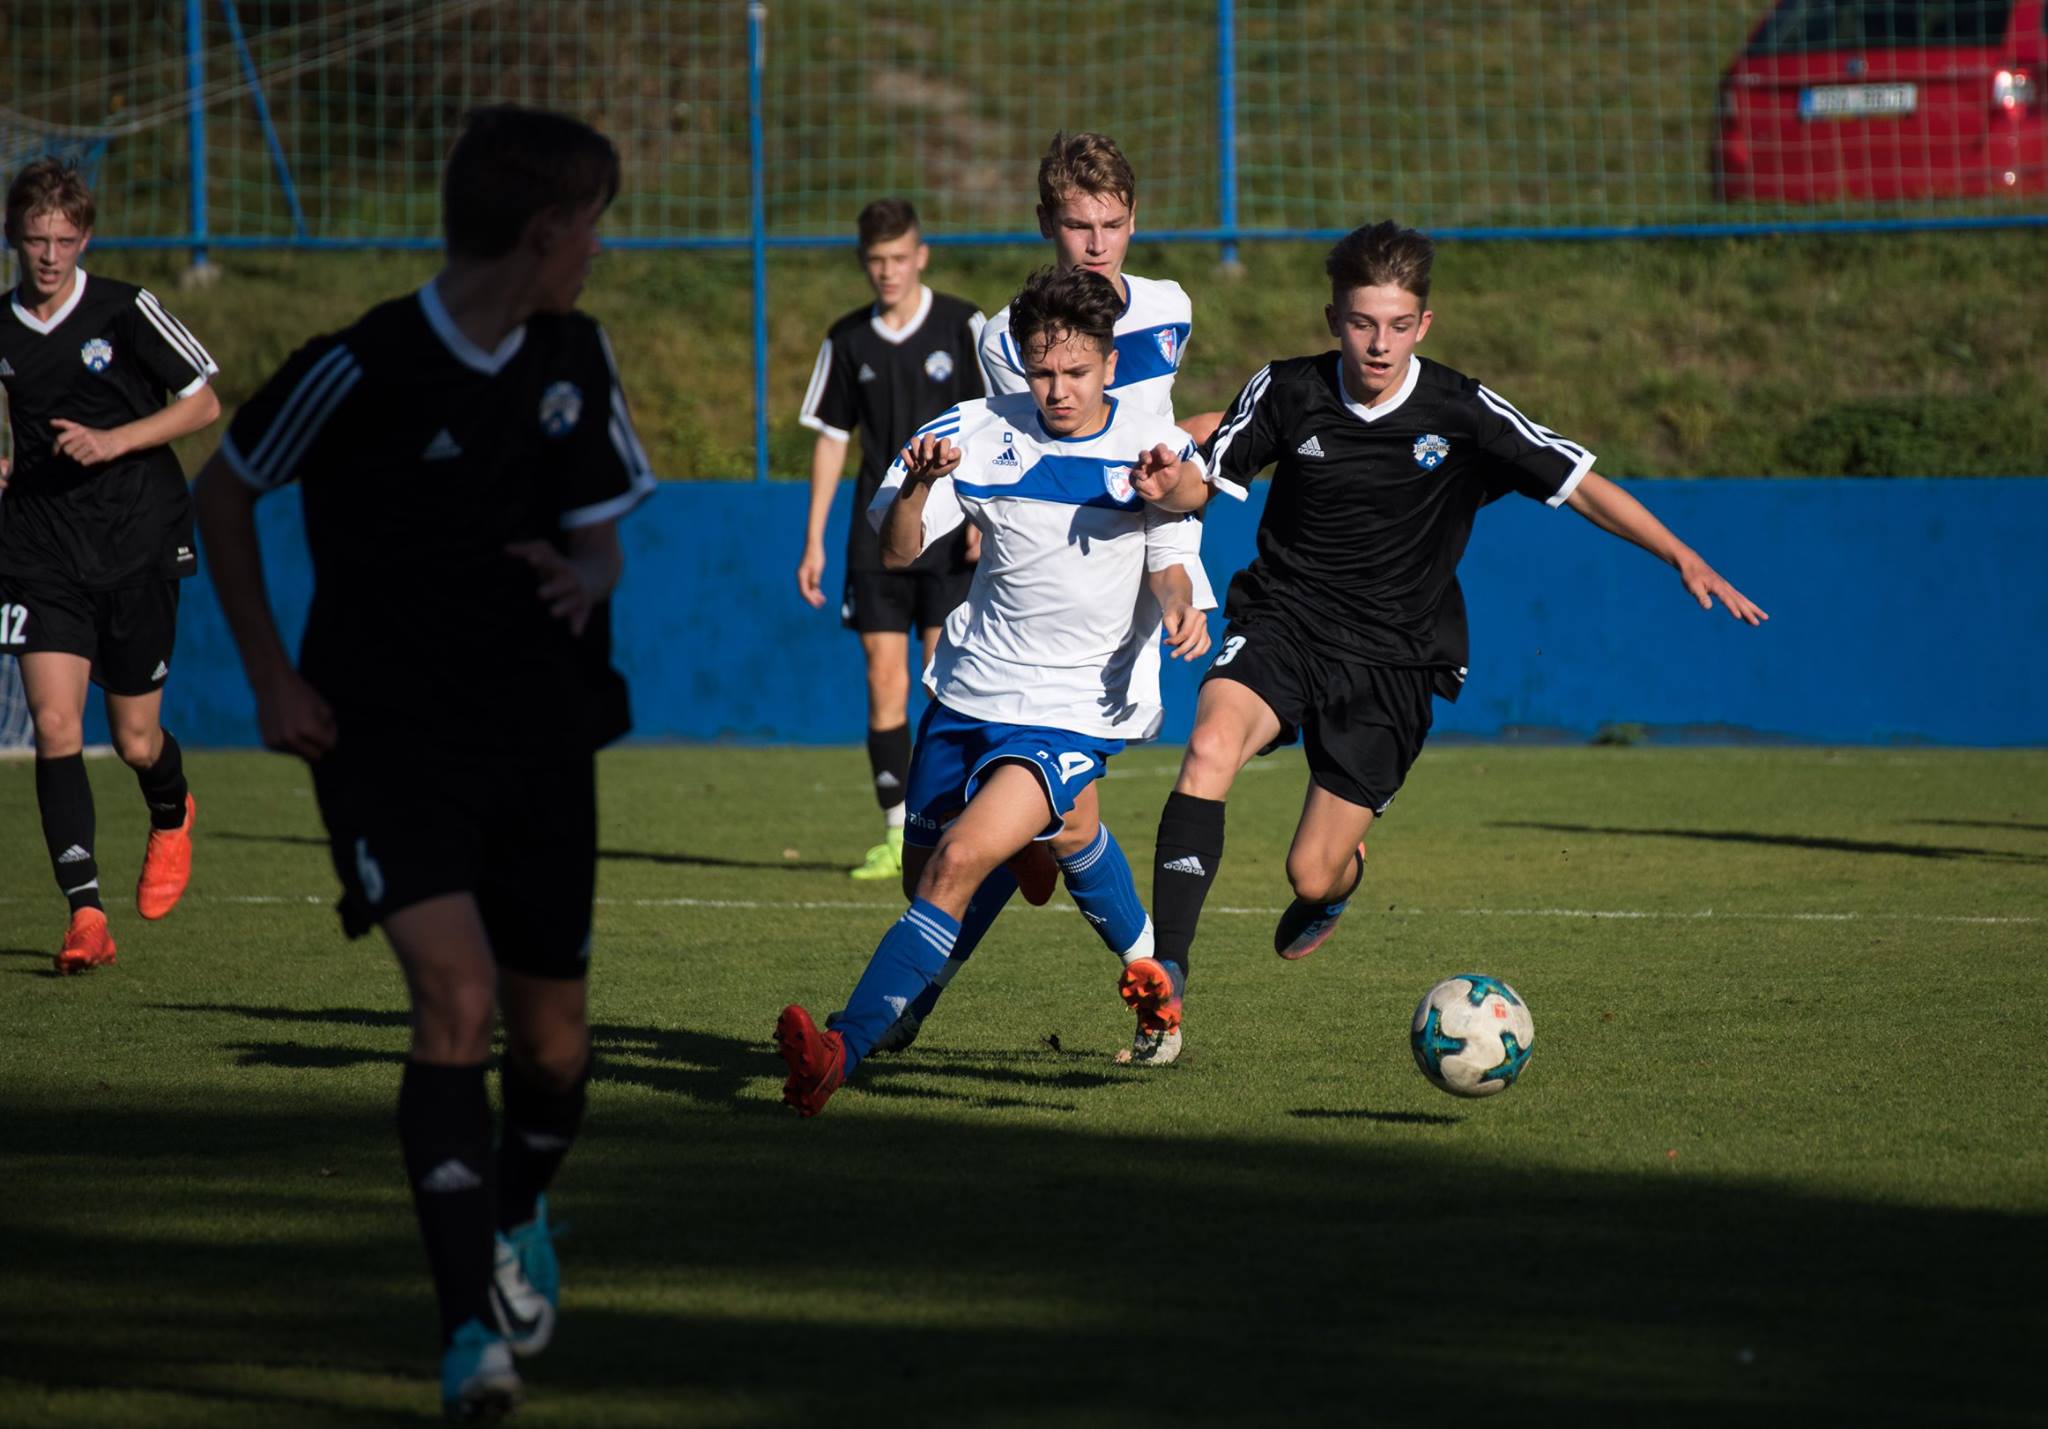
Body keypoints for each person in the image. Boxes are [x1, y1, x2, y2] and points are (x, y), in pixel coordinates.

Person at [192, 106, 655, 1421]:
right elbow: (221, 490)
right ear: (544, 231)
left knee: (554, 1052)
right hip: (388, 739)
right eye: (592, 228)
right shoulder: (362, 365)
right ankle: (468, 1341)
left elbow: (602, 539)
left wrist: (584, 575)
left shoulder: (575, 355)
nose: (599, 252)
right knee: (455, 998)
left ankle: (513, 1211)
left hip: (543, 735)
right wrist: (272, 676)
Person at [1137, 220, 1769, 1049]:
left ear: (1424, 324)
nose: (1379, 344)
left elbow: (1580, 484)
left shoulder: (1461, 410)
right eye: (1363, 323)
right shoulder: (1287, 389)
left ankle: (1338, 885)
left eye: (1399, 325)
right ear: (1334, 319)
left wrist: (1682, 556)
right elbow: (1204, 484)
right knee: (1210, 745)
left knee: (1310, 872)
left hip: (1395, 659)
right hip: (1285, 621)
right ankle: (1167, 975)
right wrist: (1169, 484)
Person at [776, 265, 1237, 1115]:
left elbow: (1172, 558)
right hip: (968, 692)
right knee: (968, 864)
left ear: (1110, 363)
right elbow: (898, 551)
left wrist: (1180, 609)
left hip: (1072, 710)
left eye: (1077, 371)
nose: (1058, 389)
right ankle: (1151, 975)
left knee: (957, 863)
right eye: (1041, 370)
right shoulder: (975, 428)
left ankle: (841, 1047)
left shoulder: (1151, 447)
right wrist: (919, 484)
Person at [0, 158, 219, 974]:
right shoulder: (2, 325)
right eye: (36, 240)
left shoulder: (125, 310)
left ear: (85, 238)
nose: (49, 256)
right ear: (14, 237)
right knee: (56, 725)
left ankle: (171, 808)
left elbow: (203, 401)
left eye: (64, 240)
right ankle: (86, 914)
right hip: (39, 548)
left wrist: (113, 441)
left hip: (137, 538)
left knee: (134, 738)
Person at [796, 198, 987, 880]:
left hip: (949, 532)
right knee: (884, 679)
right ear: (863, 262)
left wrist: (982, 517)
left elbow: (995, 420)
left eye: (899, 257)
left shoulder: (963, 324)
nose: (888, 270)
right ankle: (896, 831)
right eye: (877, 259)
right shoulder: (847, 339)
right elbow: (831, 440)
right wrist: (814, 540)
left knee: (945, 680)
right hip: (875, 535)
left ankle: (951, 822)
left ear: (921, 256)